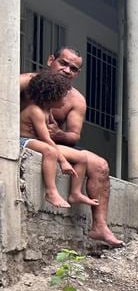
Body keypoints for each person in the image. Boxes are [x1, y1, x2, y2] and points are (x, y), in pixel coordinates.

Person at [19, 48, 122, 246]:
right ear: (51, 60)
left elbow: (74, 135)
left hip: (52, 142)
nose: (67, 70)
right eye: (63, 63)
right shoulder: (28, 81)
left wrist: (59, 134)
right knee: (52, 150)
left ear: (78, 73)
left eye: (73, 68)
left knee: (100, 164)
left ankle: (100, 226)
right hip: (23, 138)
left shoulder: (75, 99)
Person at [20, 72, 96, 210]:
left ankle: (75, 193)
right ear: (51, 96)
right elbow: (46, 139)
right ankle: (51, 192)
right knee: (50, 152)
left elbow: (49, 133)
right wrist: (63, 161)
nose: (66, 100)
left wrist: (55, 131)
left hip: (37, 141)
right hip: (24, 141)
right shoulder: (35, 111)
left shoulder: (47, 110)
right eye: (63, 96)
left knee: (82, 157)